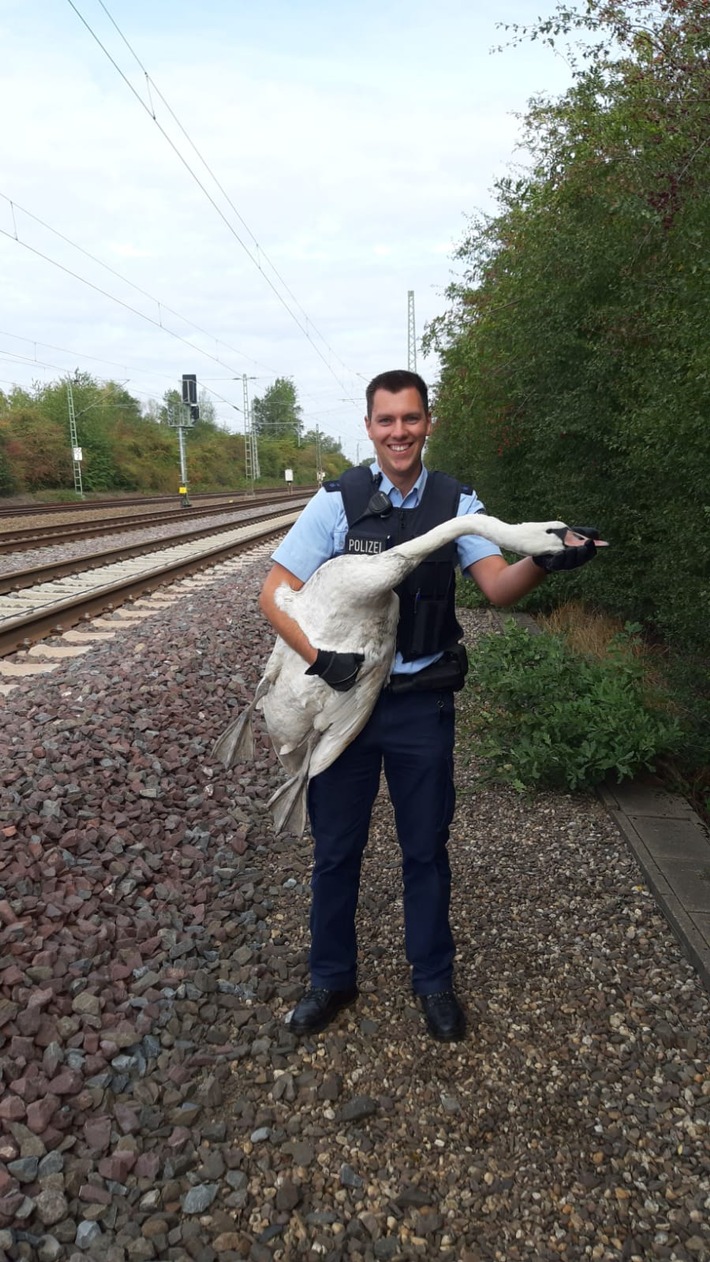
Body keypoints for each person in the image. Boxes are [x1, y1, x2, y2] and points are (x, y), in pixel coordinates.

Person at [258, 369, 598, 1042]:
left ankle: (433, 983)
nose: (399, 432)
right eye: (386, 421)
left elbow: (498, 586)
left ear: (427, 422)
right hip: (343, 705)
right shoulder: (336, 503)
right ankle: (330, 978)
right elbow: (275, 593)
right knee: (335, 851)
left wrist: (546, 561)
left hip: (420, 706)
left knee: (425, 850)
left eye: (410, 419)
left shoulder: (455, 500)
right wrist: (319, 659)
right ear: (369, 428)